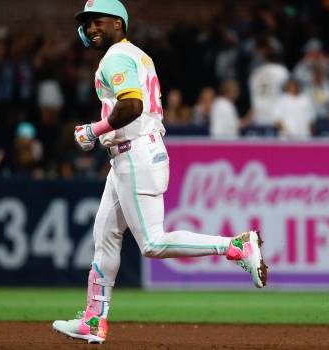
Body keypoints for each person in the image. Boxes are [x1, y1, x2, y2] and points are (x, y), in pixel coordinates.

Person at [52, 0, 267, 344]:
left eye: (98, 22)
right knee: (105, 236)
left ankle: (236, 246)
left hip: (135, 152)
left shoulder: (117, 57)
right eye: (87, 23)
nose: (91, 28)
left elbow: (132, 106)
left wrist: (94, 130)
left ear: (118, 25)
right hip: (128, 155)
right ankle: (94, 319)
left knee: (151, 242)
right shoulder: (135, 55)